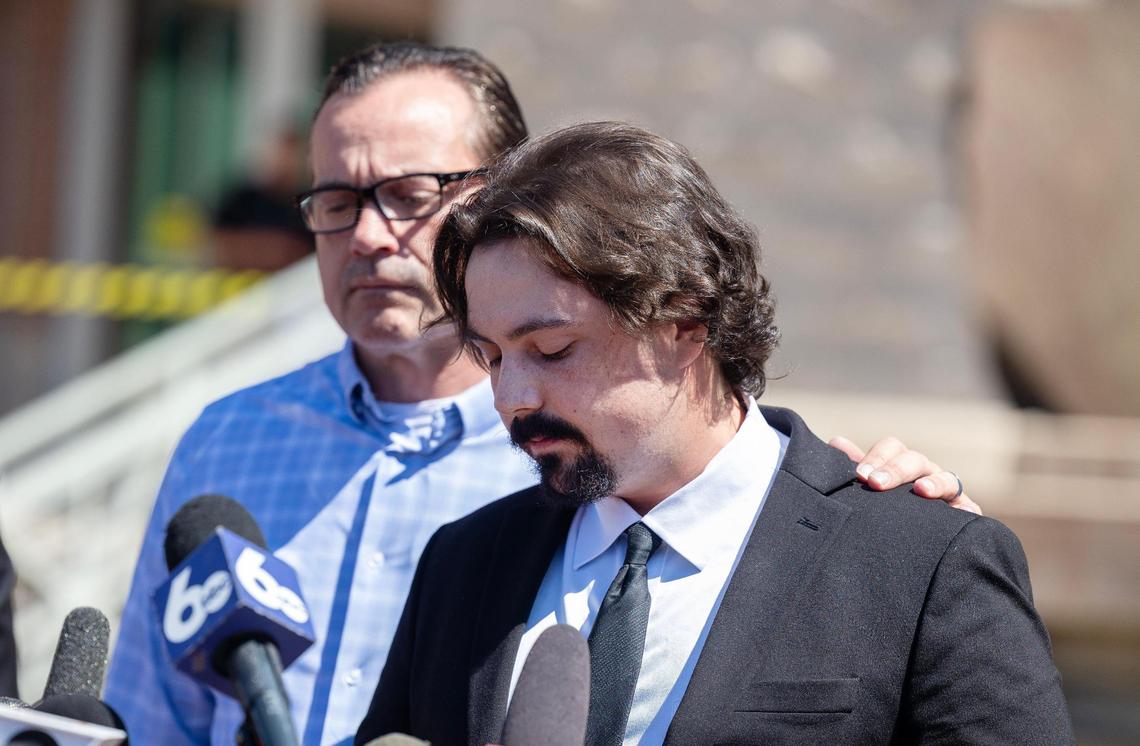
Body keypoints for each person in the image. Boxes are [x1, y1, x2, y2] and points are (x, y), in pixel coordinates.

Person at [106, 43, 979, 745]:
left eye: (409, 194)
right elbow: (154, 717)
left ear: (508, 190)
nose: (369, 235)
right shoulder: (232, 441)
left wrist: (905, 529)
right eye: (335, 201)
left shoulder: (607, 455)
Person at [357, 121, 1073, 745]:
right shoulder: (463, 563)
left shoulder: (921, 562)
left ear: (684, 322)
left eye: (550, 350)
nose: (512, 396)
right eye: (489, 357)